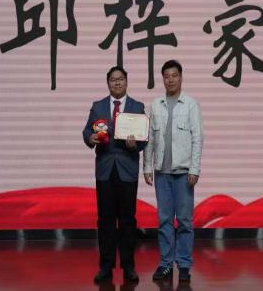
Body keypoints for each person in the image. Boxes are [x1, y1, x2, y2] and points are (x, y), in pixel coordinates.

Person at [82, 66, 146, 284]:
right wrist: (90, 138)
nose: (117, 83)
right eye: (112, 80)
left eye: (120, 79)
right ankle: (106, 266)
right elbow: (87, 131)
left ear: (126, 82)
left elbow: (144, 138)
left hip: (127, 170)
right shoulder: (98, 106)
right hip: (105, 171)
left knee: (128, 221)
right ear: (108, 83)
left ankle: (129, 266)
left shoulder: (137, 106)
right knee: (105, 220)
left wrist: (135, 144)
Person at [143, 60, 204, 283]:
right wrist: (147, 166)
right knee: (164, 220)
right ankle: (166, 264)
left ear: (181, 77)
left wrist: (194, 168)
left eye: (174, 75)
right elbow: (149, 138)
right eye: (167, 76)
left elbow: (198, 138)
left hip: (184, 173)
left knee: (185, 221)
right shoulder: (156, 104)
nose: (170, 80)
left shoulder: (191, 104)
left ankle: (184, 265)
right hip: (162, 172)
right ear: (163, 79)